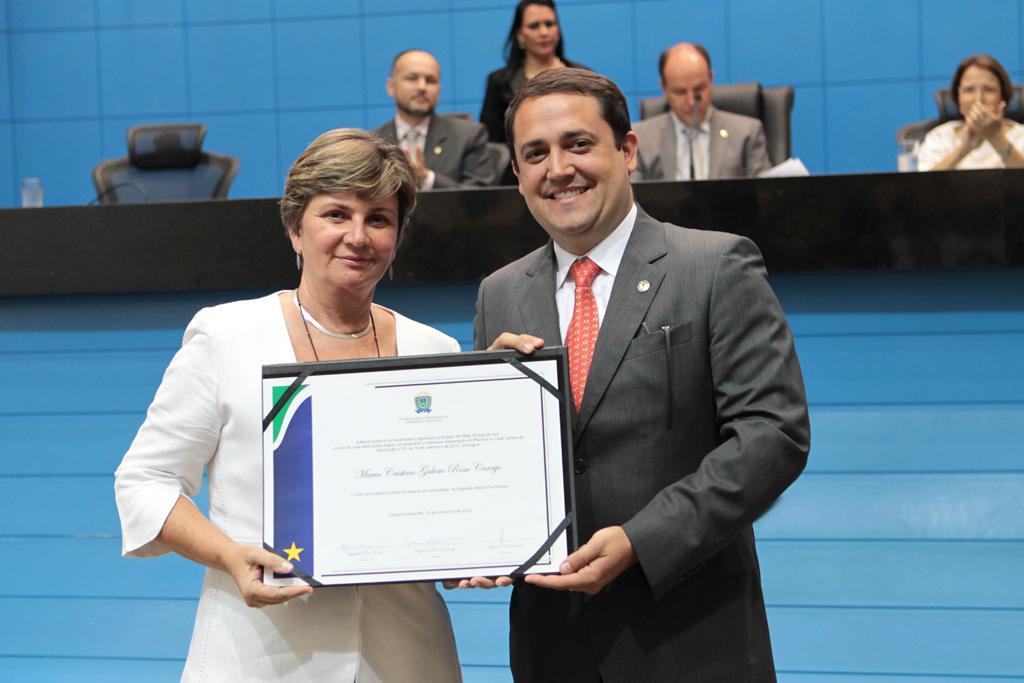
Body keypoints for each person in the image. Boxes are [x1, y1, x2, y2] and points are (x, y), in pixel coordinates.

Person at [468, 68, 809, 680]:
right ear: (517, 176)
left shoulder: (715, 264)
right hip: (552, 645)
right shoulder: (499, 294)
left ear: (627, 150)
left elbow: (772, 435)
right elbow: (500, 469)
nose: (559, 169)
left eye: (579, 144)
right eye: (535, 154)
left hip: (689, 633)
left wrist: (641, 541)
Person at [114, 129, 463, 682]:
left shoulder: (436, 352)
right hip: (258, 653)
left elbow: (455, 499)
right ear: (295, 228)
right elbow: (145, 481)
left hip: (405, 656)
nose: (358, 236)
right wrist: (227, 554)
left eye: (379, 218)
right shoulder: (225, 336)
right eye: (336, 214)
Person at [633, 43, 771, 180]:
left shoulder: (746, 133)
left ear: (711, 78)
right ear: (664, 87)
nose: (692, 102)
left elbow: (765, 193)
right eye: (680, 92)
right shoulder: (641, 139)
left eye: (699, 89)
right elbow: (632, 196)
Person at [374, 49, 496, 188]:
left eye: (430, 80)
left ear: (439, 89)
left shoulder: (469, 136)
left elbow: (481, 195)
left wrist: (427, 179)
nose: (422, 87)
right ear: (391, 86)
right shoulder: (373, 143)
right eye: (412, 78)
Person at [478, 0, 586, 145]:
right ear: (520, 35)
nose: (544, 32)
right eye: (534, 26)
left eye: (549, 24)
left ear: (558, 30)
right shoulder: (499, 82)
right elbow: (491, 142)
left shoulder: (582, 76)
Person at [918, 53, 1024, 171]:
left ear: (1003, 95)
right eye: (969, 90)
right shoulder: (939, 138)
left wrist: (997, 138)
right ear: (958, 97)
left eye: (989, 89)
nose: (978, 99)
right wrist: (965, 147)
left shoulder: (1021, 136)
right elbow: (924, 187)